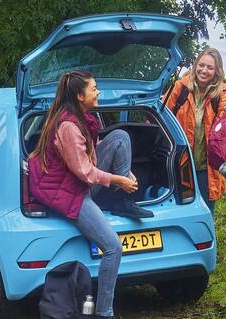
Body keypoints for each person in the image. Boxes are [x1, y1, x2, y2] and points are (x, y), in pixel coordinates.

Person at [27, 70, 144, 319]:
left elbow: (94, 152)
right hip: (68, 191)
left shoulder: (81, 118)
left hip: (77, 182)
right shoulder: (68, 125)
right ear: (80, 96)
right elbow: (84, 172)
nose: (98, 92)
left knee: (120, 137)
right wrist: (118, 180)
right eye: (94, 88)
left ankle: (122, 200)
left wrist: (126, 172)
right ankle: (105, 313)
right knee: (113, 247)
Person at [162, 48, 226, 211]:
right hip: (180, 163)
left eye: (210, 67)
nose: (204, 70)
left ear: (217, 71)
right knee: (179, 210)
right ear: (195, 66)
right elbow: (163, 113)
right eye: (201, 65)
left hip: (206, 167)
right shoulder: (180, 88)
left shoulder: (221, 92)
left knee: (206, 211)